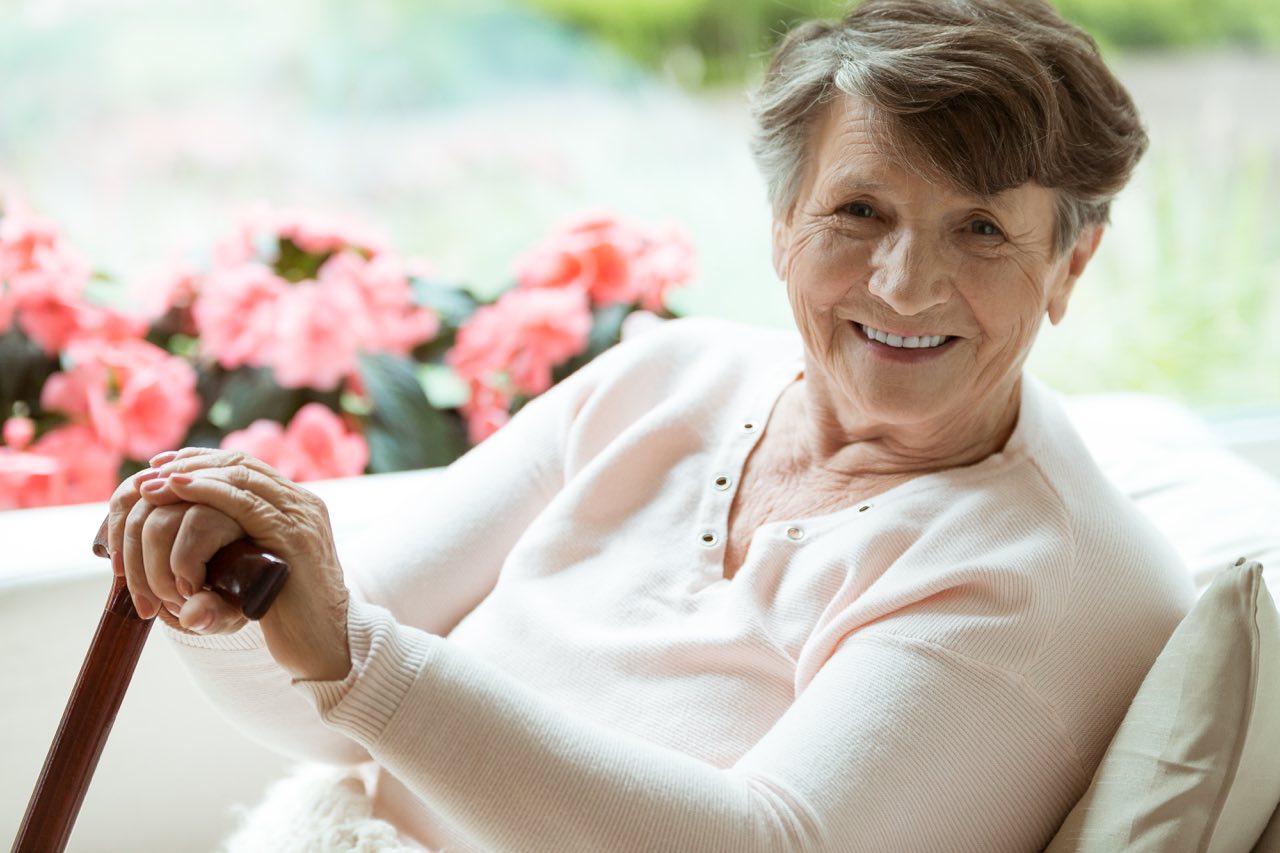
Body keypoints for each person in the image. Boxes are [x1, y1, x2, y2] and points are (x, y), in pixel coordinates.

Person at [108, 0, 1195, 849]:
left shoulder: (1035, 574)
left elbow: (769, 844)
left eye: (980, 229)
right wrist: (213, 584)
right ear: (780, 226)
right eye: (858, 210)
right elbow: (318, 698)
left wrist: (356, 660)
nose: (905, 285)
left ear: (1067, 264)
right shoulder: (667, 378)